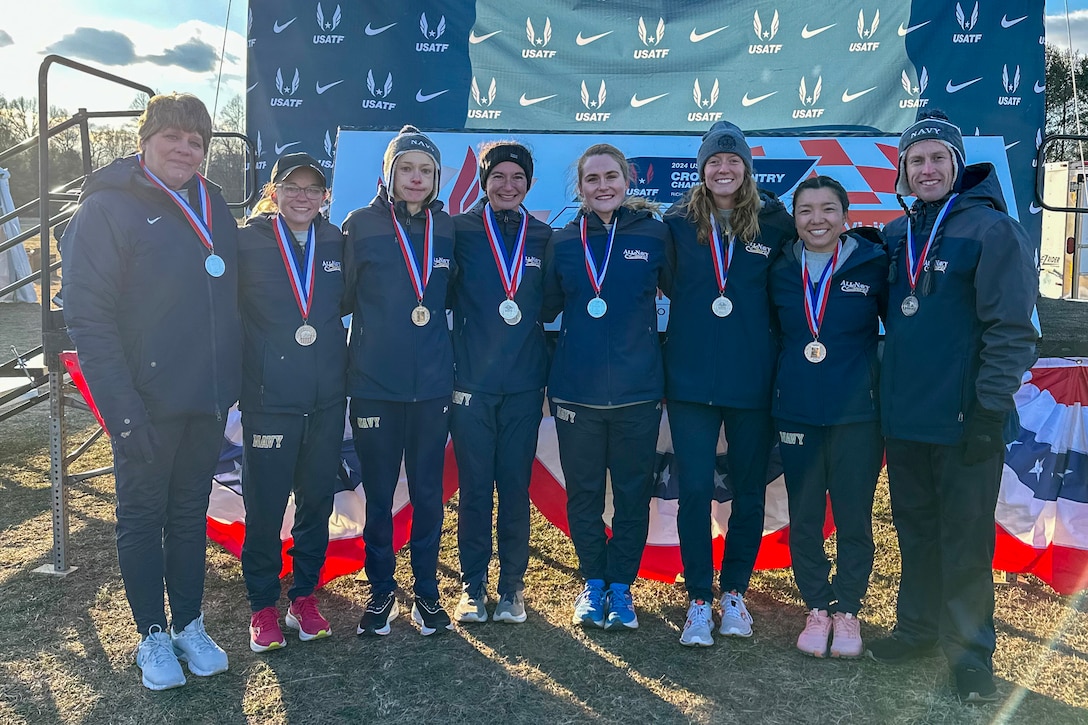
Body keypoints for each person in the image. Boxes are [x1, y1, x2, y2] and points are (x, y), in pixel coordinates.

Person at [62, 92, 240, 690]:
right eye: (173, 136)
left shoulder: (211, 200)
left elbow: (227, 294)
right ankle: (151, 635)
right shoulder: (106, 208)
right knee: (141, 517)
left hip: (203, 398)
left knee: (188, 516)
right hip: (143, 402)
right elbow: (89, 319)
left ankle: (188, 622)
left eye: (196, 141)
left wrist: (228, 384)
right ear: (145, 139)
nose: (185, 149)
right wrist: (122, 411)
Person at [867, 109, 1037, 704]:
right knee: (914, 530)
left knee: (965, 539)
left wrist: (991, 410)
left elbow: (1012, 329)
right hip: (907, 418)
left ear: (957, 165)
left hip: (967, 420)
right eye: (917, 160)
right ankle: (915, 630)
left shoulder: (993, 231)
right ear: (904, 173)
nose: (927, 168)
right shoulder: (895, 235)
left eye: (938, 157)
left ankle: (971, 655)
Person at [661, 120, 794, 647]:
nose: (723, 168)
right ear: (702, 169)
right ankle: (698, 597)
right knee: (694, 491)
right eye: (714, 161)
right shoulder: (676, 224)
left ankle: (734, 591)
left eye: (732, 160)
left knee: (748, 491)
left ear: (746, 168)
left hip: (752, 381)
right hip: (690, 381)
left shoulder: (775, 223)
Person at [543, 143, 670, 631]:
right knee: (585, 494)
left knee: (633, 495)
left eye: (610, 176)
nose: (602, 186)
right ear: (580, 187)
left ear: (627, 179)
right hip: (577, 392)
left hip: (638, 392)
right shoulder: (562, 241)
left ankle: (622, 586)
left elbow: (690, 290)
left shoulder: (655, 235)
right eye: (592, 179)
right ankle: (593, 582)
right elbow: (545, 309)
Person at [342, 125, 456, 636]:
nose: (416, 177)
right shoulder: (359, 225)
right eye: (406, 168)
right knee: (380, 494)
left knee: (429, 493)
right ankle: (381, 590)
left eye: (425, 170)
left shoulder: (448, 229)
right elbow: (340, 299)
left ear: (436, 178)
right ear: (390, 174)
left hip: (432, 386)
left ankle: (427, 594)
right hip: (373, 385)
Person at [768, 176, 887, 658]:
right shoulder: (778, 269)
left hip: (857, 410)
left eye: (827, 210)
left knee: (855, 513)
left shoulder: (874, 263)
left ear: (845, 214)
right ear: (793, 218)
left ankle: (850, 609)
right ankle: (817, 605)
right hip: (797, 408)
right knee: (806, 513)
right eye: (806, 211)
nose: (817, 220)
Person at [236, 153, 347, 652]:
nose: (302, 195)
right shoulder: (247, 242)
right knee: (264, 506)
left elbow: (344, 305)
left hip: (325, 398)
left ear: (325, 196)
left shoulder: (337, 242)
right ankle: (262, 605)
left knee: (316, 503)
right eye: (291, 186)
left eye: (312, 188)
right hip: (270, 398)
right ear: (273, 191)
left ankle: (304, 596)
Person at [449, 142, 552, 624]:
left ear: (529, 184)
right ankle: (472, 587)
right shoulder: (461, 231)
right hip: (471, 383)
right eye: (498, 177)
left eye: (517, 177)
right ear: (484, 182)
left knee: (514, 487)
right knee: (474, 488)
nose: (507, 185)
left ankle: (512, 587)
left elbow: (549, 307)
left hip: (525, 385)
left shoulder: (545, 237)